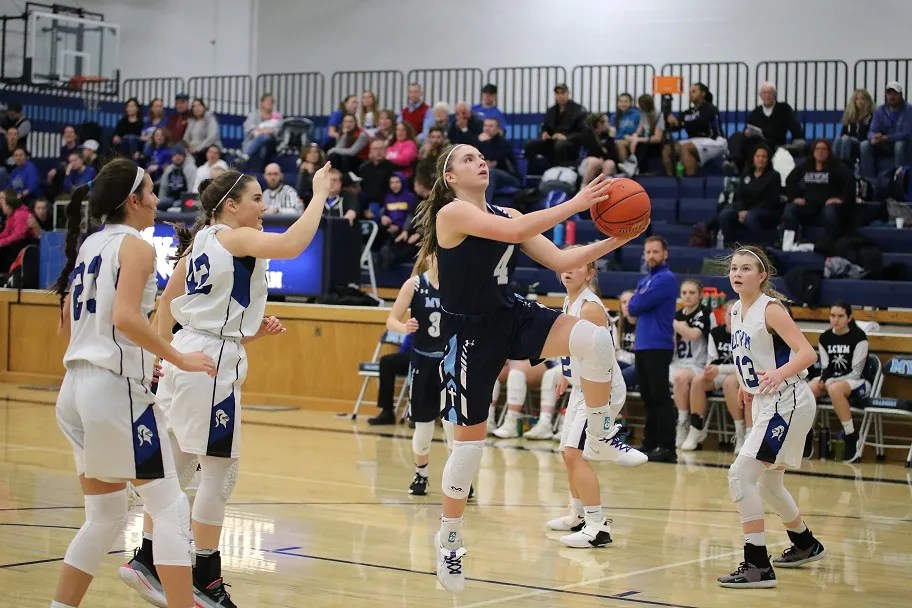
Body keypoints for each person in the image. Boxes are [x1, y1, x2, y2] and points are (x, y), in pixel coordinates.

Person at [414, 144, 647, 593]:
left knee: (594, 338)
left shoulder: (508, 211)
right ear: (450, 178)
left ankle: (599, 434)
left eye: (482, 156)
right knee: (468, 450)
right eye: (466, 159)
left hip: (511, 315)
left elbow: (561, 260)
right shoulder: (452, 215)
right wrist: (578, 203)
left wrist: (618, 238)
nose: (479, 161)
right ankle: (449, 541)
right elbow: (516, 229)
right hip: (470, 337)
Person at [119, 163, 331, 608]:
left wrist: (163, 356)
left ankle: (149, 557)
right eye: (257, 199)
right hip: (211, 363)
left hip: (185, 354)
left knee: (175, 470)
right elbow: (292, 243)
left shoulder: (199, 243)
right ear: (230, 206)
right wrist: (318, 195)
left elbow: (169, 306)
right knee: (219, 471)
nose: (264, 206)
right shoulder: (233, 237)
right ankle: (204, 576)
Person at [49, 158, 217, 608]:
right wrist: (175, 355)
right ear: (133, 200)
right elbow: (124, 318)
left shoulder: (91, 245)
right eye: (151, 190)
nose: (158, 199)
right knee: (170, 508)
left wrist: (137, 357)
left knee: (103, 517)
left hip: (75, 389)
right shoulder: (137, 247)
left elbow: (71, 322)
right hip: (111, 392)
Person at [719, 246, 825, 589]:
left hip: (788, 400)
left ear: (762, 276)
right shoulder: (735, 310)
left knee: (740, 476)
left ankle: (757, 565)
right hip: (767, 400)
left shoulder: (771, 309)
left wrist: (779, 374)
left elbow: (807, 353)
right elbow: (748, 354)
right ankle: (805, 543)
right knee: (768, 482)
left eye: (746, 268)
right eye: (734, 268)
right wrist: (747, 385)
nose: (738, 273)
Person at [547, 253, 628, 548]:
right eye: (565, 264)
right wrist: (567, 374)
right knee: (566, 452)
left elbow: (602, 357)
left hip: (601, 388)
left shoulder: (591, 307)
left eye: (577, 265)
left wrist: (598, 397)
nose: (568, 269)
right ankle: (578, 515)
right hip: (583, 386)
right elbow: (578, 348)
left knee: (575, 454)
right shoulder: (571, 300)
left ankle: (597, 526)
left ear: (590, 273)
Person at [384, 255, 454, 494]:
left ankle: (460, 479)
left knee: (452, 426)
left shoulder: (457, 283)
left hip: (450, 362)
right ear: (428, 256)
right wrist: (405, 327)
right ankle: (421, 475)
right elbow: (391, 320)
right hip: (423, 361)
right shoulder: (414, 284)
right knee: (423, 426)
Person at [627, 236, 678, 463]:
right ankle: (650, 443)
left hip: (659, 344)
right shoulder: (646, 280)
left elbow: (636, 305)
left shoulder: (666, 279)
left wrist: (636, 300)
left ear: (665, 254)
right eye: (648, 252)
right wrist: (636, 301)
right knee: (647, 396)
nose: (651, 256)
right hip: (643, 344)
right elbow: (633, 306)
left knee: (660, 397)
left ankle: (667, 447)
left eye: (655, 252)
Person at [809, 301, 870, 464]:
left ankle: (851, 436)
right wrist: (823, 379)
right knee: (808, 389)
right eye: (832, 316)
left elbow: (856, 373)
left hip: (857, 382)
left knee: (835, 389)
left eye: (840, 316)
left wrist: (830, 381)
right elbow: (826, 366)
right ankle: (807, 433)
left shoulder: (859, 338)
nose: (835, 320)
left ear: (849, 318)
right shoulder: (825, 337)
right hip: (833, 379)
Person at [684, 301, 744, 452]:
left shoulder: (746, 334)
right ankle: (695, 429)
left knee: (729, 382)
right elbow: (711, 361)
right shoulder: (715, 333)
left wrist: (720, 369)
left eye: (737, 314)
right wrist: (711, 369)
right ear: (724, 315)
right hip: (720, 372)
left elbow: (745, 365)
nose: (733, 318)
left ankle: (740, 433)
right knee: (698, 380)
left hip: (741, 374)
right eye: (730, 314)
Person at [783, 139, 854, 248]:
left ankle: (831, 244)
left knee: (829, 211)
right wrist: (794, 197)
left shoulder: (836, 165)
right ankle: (788, 244)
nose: (820, 152)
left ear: (828, 151)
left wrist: (841, 199)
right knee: (791, 208)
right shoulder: (807, 164)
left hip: (827, 205)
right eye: (818, 149)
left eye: (824, 149)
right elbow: (790, 180)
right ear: (813, 151)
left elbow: (850, 180)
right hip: (809, 205)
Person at [670, 279, 712, 448]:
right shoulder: (677, 315)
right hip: (677, 362)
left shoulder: (705, 313)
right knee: (675, 376)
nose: (687, 296)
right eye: (684, 293)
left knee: (680, 377)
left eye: (692, 293)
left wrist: (674, 324)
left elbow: (693, 335)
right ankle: (681, 423)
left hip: (699, 364)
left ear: (700, 295)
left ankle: (684, 423)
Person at [717, 143, 782, 247]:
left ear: (768, 159)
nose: (761, 159)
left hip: (766, 212)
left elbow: (771, 200)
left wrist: (748, 212)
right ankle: (730, 247)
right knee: (725, 215)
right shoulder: (746, 174)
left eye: (764, 156)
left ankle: (758, 248)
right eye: (758, 156)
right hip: (746, 211)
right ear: (753, 158)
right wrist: (740, 211)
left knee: (751, 217)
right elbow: (740, 196)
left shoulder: (774, 176)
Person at [662, 83, 726, 177]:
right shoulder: (687, 112)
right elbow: (676, 127)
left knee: (686, 147)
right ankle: (671, 179)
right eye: (690, 92)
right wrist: (670, 120)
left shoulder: (710, 108)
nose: (690, 94)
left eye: (694, 91)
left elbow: (700, 122)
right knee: (667, 149)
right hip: (694, 141)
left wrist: (681, 122)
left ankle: (692, 183)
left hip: (714, 140)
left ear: (703, 93)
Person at [859, 81, 912, 180]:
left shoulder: (908, 110)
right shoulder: (880, 110)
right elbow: (871, 130)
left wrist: (886, 138)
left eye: (895, 94)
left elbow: (907, 134)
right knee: (864, 145)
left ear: (901, 95)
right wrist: (873, 137)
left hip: (904, 146)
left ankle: (899, 180)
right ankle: (869, 181)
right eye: (889, 93)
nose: (892, 97)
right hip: (883, 145)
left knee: (899, 144)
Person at [832, 89, 874, 165]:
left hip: (863, 142)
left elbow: (867, 135)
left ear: (868, 100)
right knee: (838, 140)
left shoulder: (871, 116)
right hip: (848, 141)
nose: (860, 101)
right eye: (857, 99)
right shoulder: (850, 116)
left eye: (863, 99)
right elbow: (843, 133)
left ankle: (846, 166)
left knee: (846, 140)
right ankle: (834, 166)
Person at [616, 290, 637, 389]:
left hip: (638, 366)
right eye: (624, 302)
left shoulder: (646, 324)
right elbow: (615, 352)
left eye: (631, 301)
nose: (627, 305)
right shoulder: (616, 323)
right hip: (623, 363)